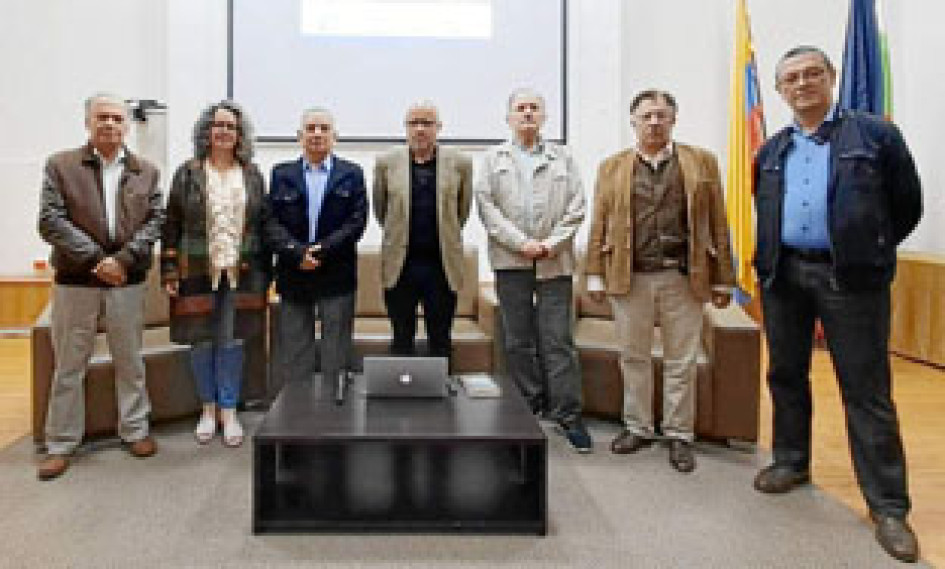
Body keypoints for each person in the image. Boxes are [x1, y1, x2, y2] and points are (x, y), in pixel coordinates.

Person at [752, 46, 922, 563]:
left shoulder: (874, 135)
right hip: (784, 275)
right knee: (785, 374)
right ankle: (791, 460)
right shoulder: (773, 148)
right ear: (780, 90)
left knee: (866, 390)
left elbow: (906, 206)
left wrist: (865, 247)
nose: (802, 83)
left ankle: (888, 506)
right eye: (791, 78)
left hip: (851, 279)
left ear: (831, 78)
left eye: (812, 74)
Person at [585, 89, 734, 473]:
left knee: (681, 360)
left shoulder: (701, 162)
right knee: (633, 357)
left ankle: (679, 434)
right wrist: (594, 273)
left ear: (673, 120)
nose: (654, 122)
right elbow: (599, 222)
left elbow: (718, 221)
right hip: (629, 276)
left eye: (661, 115)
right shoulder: (612, 167)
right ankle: (638, 427)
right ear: (633, 121)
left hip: (684, 277)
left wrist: (723, 279)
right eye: (646, 116)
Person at [36, 93, 163, 480]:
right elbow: (50, 221)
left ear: (126, 125)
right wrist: (96, 260)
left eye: (116, 118)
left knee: (130, 361)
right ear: (87, 122)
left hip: (127, 281)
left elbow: (156, 221)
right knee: (69, 365)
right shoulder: (61, 165)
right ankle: (61, 444)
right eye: (101, 117)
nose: (109, 124)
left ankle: (135, 430)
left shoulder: (146, 171)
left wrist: (121, 261)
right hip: (76, 282)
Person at [476, 88, 591, 452]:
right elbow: (487, 209)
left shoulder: (563, 158)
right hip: (511, 262)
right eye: (520, 108)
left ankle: (567, 414)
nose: (527, 113)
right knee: (518, 341)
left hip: (555, 263)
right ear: (509, 117)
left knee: (558, 341)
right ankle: (528, 405)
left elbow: (577, 206)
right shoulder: (493, 160)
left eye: (534, 108)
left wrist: (550, 244)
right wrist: (521, 243)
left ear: (544, 116)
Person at [162, 100, 280, 447]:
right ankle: (207, 407)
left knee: (233, 340)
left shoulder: (252, 174)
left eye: (231, 126)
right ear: (207, 131)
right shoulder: (188, 173)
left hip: (243, 272)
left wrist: (267, 274)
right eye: (218, 125)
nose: (224, 131)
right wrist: (169, 270)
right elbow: (171, 224)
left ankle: (229, 410)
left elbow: (263, 225)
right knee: (200, 340)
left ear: (240, 135)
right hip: (196, 269)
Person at [268, 108, 367, 390]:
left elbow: (356, 223)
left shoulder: (352, 174)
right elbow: (270, 222)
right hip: (294, 272)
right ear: (300, 136)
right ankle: (297, 411)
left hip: (336, 275)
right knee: (295, 353)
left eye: (324, 128)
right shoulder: (281, 174)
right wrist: (297, 253)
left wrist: (320, 251)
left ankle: (333, 411)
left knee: (336, 353)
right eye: (311, 128)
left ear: (335, 136)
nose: (317, 134)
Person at [373, 101, 473, 365]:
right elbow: (381, 210)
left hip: (441, 266)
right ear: (405, 127)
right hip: (401, 265)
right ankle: (401, 390)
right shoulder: (386, 162)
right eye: (414, 123)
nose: (420, 129)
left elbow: (461, 212)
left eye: (427, 123)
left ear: (439, 127)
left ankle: (440, 390)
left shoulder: (460, 163)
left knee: (440, 339)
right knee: (401, 338)